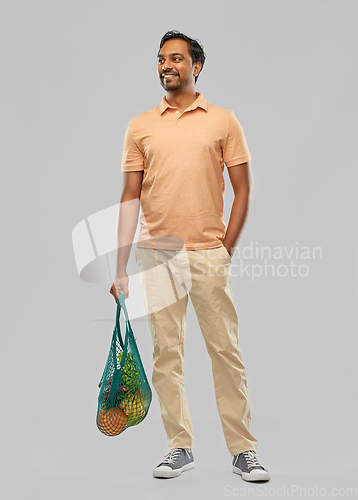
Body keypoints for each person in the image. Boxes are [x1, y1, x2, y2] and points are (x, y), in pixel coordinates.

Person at [111, 30, 270, 482]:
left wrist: (226, 248)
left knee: (226, 352)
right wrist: (120, 267)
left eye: (176, 59)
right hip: (155, 254)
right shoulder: (140, 125)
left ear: (196, 67)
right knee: (167, 355)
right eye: (161, 59)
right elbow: (128, 198)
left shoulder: (223, 121)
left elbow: (244, 190)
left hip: (207, 255)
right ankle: (179, 447)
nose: (167, 65)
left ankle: (244, 451)